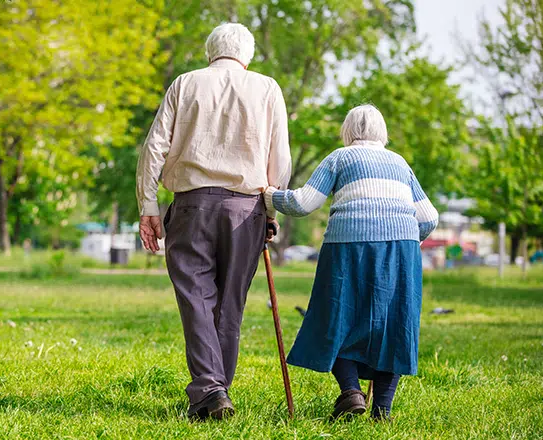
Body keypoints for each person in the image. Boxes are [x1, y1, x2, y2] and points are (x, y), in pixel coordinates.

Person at [136, 23, 292, 420]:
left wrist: (148, 205)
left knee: (196, 299)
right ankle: (215, 390)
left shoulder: (185, 84)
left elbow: (154, 148)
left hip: (191, 206)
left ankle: (210, 390)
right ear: (248, 55)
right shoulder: (267, 87)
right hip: (247, 208)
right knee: (230, 305)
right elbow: (280, 159)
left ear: (210, 51)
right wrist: (271, 212)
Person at [263, 104, 439, 421]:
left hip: (348, 247)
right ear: (381, 132)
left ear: (347, 131)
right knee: (393, 327)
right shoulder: (399, 163)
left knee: (334, 318)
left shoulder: (340, 157)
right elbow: (429, 217)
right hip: (401, 249)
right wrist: (406, 240)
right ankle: (381, 411)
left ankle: (351, 392)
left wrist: (270, 195)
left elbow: (303, 203)